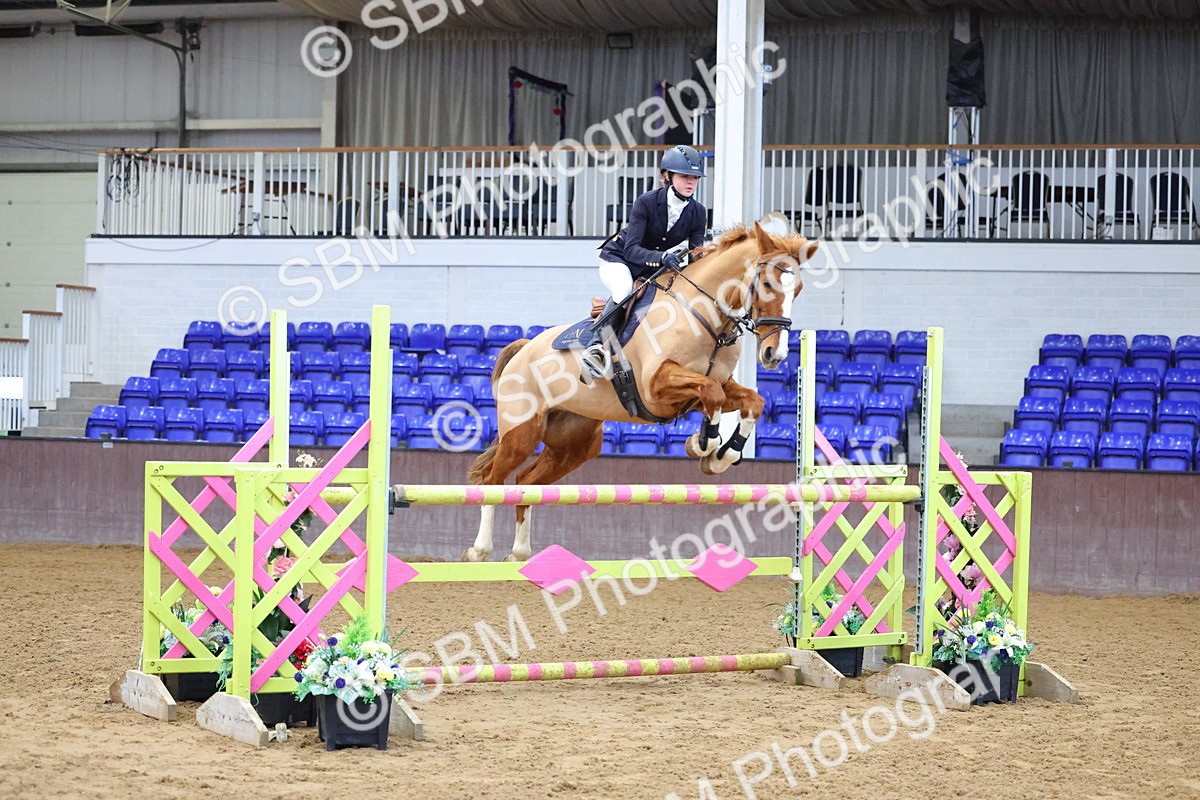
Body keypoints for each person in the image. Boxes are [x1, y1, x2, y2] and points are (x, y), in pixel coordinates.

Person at [579, 145, 709, 380]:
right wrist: (662, 258)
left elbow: (695, 255)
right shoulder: (647, 202)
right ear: (668, 176)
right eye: (684, 176)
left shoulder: (698, 212)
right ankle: (595, 348)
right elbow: (631, 249)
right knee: (623, 289)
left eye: (695, 178)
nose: (691, 182)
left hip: (653, 269)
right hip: (620, 260)